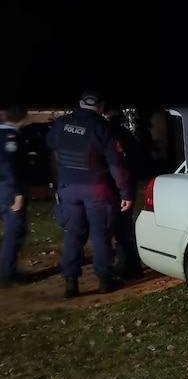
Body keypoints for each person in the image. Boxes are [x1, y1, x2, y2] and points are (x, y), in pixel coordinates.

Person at [45, 90, 134, 298]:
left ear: (80, 103)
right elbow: (116, 165)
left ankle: (71, 282)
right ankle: (105, 280)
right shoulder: (103, 128)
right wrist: (126, 193)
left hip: (68, 188)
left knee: (74, 234)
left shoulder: (60, 124)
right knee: (100, 235)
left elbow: (50, 145)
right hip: (97, 189)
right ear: (101, 107)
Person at [104, 108, 144, 279]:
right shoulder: (124, 133)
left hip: (118, 186)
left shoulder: (111, 135)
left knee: (121, 227)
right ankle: (130, 264)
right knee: (123, 226)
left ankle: (129, 265)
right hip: (125, 184)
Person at [0, 104, 31, 289]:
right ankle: (6, 275)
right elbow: (10, 167)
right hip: (8, 189)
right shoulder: (11, 138)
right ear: (24, 118)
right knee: (14, 231)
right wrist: (19, 193)